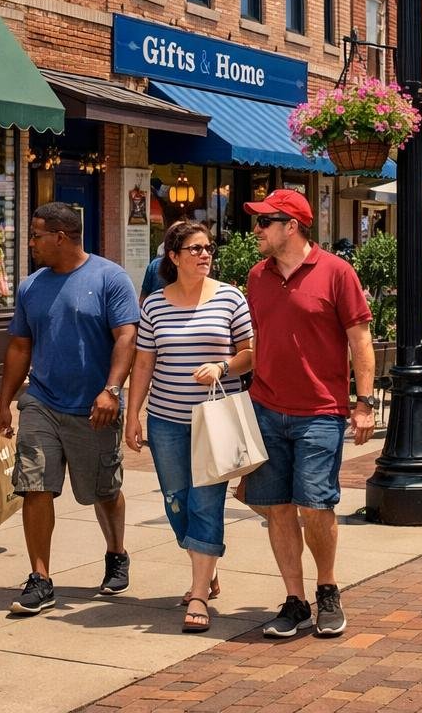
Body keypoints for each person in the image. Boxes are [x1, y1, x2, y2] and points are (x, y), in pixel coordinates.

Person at [240, 189, 373, 639]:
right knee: (275, 508)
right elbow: (259, 341)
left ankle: (328, 590)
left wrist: (364, 403)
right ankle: (295, 600)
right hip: (266, 407)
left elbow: (360, 342)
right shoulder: (257, 277)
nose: (255, 230)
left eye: (264, 222)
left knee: (316, 506)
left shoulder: (337, 273)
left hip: (320, 412)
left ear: (290, 226)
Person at [0, 202, 140, 616]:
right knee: (34, 484)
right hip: (41, 400)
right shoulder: (31, 286)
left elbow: (126, 337)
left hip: (95, 405)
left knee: (103, 490)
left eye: (36, 235)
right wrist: (5, 402)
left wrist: (111, 390)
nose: (31, 243)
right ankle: (40, 578)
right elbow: (21, 345)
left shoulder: (109, 277)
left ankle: (116, 552)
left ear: (60, 237)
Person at [123, 221, 254, 634]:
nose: (204, 254)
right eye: (194, 249)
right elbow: (143, 362)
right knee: (175, 502)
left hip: (215, 422)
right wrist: (133, 414)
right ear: (174, 257)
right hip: (166, 421)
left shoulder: (230, 298)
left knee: (205, 503)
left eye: (208, 247)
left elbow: (250, 353)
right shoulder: (155, 305)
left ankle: (198, 593)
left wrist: (223, 365)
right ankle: (206, 564)